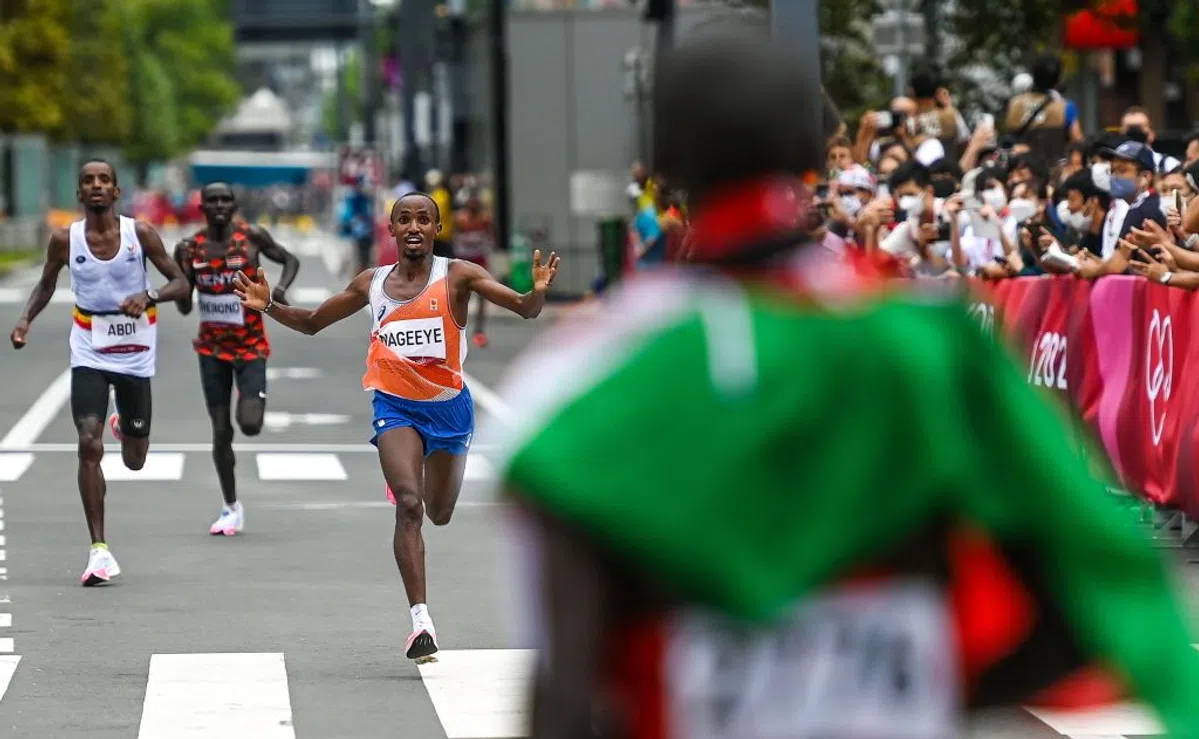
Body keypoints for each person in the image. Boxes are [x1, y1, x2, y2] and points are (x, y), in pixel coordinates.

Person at [486, 23, 1199, 739]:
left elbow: (564, 689)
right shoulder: (930, 348)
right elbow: (1096, 578)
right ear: (813, 151)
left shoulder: (584, 385)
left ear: (661, 162)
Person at [231, 191, 560, 663]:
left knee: (438, 511)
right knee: (409, 506)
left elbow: (525, 309)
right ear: (391, 229)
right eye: (403, 219)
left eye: (423, 219)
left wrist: (538, 291)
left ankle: (414, 473)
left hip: (449, 410)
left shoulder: (459, 275)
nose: (413, 227)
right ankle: (421, 622)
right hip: (395, 406)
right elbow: (310, 323)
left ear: (435, 228)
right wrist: (269, 306)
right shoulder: (373, 283)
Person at [8, 160, 189, 586]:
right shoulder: (64, 239)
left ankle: (125, 427)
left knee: (135, 458)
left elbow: (181, 283)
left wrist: (149, 295)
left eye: (103, 180)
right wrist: (24, 320)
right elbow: (47, 283)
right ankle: (99, 550)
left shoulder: (139, 234)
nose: (95, 186)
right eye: (88, 181)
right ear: (79, 193)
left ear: (116, 190)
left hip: (135, 351)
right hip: (89, 346)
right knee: (88, 444)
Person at [171, 182, 300, 536]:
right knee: (220, 430)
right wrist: (182, 274)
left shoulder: (252, 237)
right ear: (202, 208)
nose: (219, 205)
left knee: (250, 424)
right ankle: (231, 507)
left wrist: (281, 290)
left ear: (233, 205)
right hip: (211, 349)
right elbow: (184, 306)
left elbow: (291, 259)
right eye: (211, 200)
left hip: (250, 347)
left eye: (225, 200)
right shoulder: (190, 247)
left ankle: (251, 397)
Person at [451, 191, 496, 348]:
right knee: (461, 297)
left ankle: (479, 331)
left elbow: (491, 237)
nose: (474, 207)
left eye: (476, 204)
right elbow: (454, 237)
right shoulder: (460, 218)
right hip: (464, 260)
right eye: (471, 204)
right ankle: (456, 331)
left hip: (479, 260)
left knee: (483, 296)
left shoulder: (485, 219)